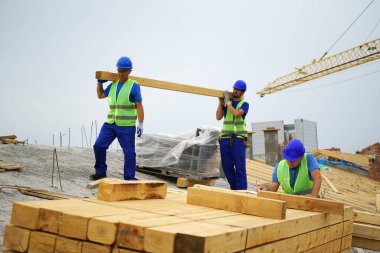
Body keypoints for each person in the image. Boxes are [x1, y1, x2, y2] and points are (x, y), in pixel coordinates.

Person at [91, 56, 144, 181]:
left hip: (126, 126)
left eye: (123, 71)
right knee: (98, 145)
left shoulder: (134, 86)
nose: (120, 73)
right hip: (110, 124)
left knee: (129, 153)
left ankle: (129, 178)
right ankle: (100, 172)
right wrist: (99, 83)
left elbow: (139, 106)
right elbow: (100, 95)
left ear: (129, 71)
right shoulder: (113, 84)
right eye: (119, 70)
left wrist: (140, 123)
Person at [257, 139, 322, 198]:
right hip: (288, 200)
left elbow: (317, 177)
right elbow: (273, 189)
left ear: (301, 157)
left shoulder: (308, 159)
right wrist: (265, 190)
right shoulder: (279, 166)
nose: (290, 163)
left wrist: (313, 196)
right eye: (288, 160)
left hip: (306, 198)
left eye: (293, 161)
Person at [216, 80, 249, 190]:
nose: (235, 91)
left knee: (240, 168)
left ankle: (242, 192)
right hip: (225, 140)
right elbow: (218, 117)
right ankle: (235, 190)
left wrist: (228, 103)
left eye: (238, 90)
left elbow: (236, 113)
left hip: (238, 140)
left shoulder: (244, 104)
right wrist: (221, 103)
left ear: (242, 92)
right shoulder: (226, 103)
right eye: (234, 89)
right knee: (227, 168)